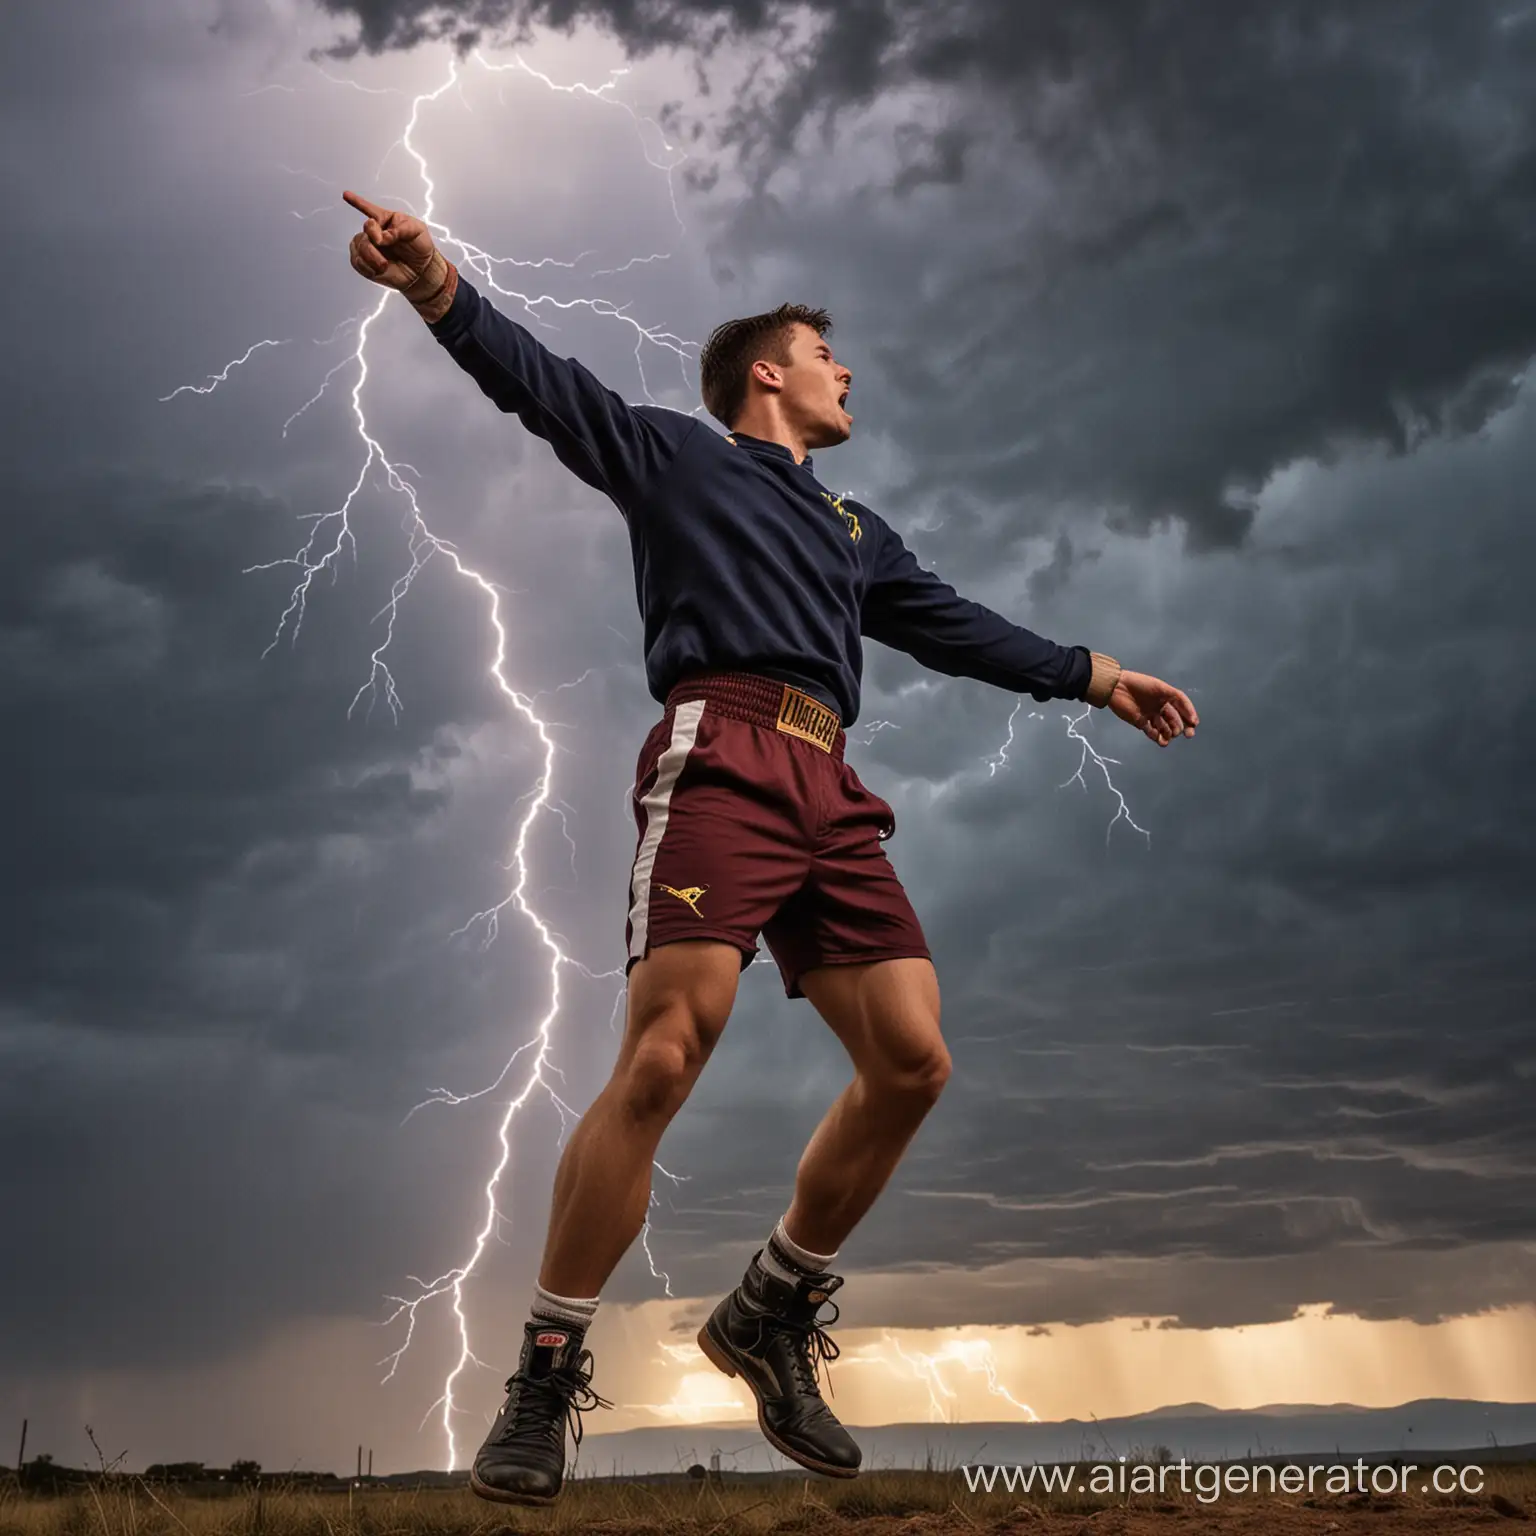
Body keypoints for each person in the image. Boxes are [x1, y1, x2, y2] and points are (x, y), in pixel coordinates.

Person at [342, 189, 1198, 1506]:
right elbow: (544, 388)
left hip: (831, 790)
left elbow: (958, 625)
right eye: (825, 352)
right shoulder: (678, 459)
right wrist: (436, 287)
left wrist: (1098, 675)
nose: (846, 370)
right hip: (721, 756)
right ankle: (546, 1370)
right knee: (668, 1052)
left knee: (913, 1062)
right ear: (768, 373)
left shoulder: (858, 534)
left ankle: (771, 1310)